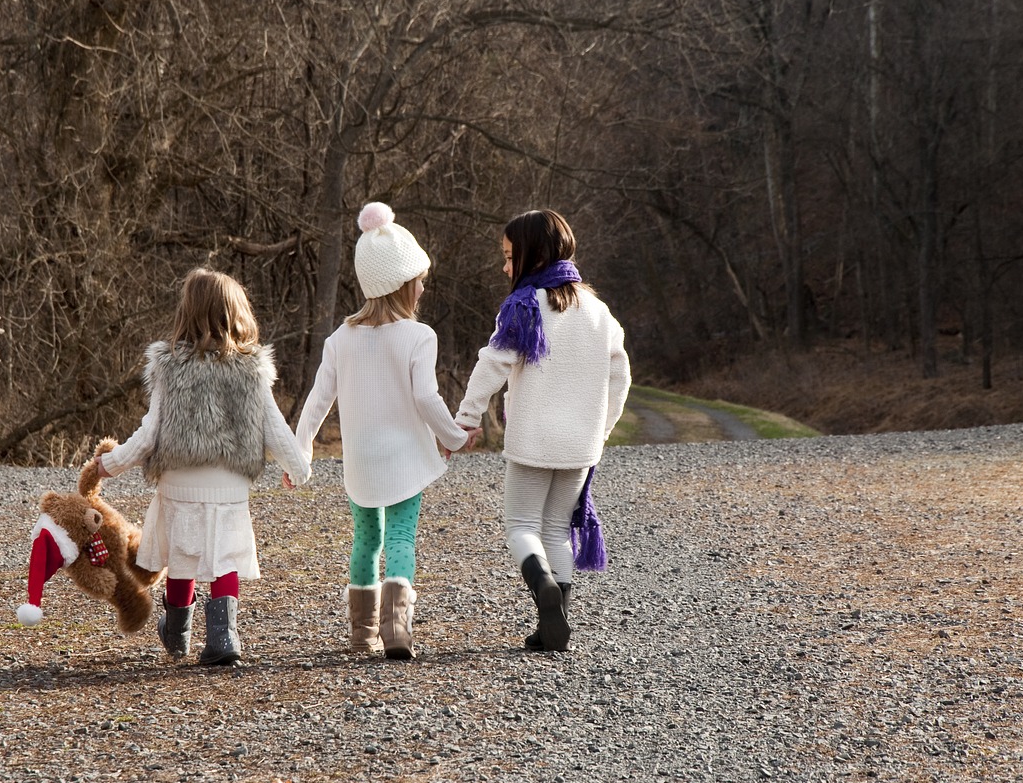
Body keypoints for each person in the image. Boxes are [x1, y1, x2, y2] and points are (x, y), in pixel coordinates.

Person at [96, 268, 310, 666]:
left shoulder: (170, 367)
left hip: (178, 484)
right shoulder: (251, 371)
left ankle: (177, 633)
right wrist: (298, 469)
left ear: (187, 312)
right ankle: (224, 639)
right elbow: (276, 430)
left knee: (183, 557)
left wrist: (109, 464)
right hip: (228, 487)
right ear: (237, 313)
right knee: (223, 559)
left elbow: (148, 435)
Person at [293, 202, 469, 660]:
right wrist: (453, 437)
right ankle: (396, 629)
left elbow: (317, 401)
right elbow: (427, 399)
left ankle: (361, 633)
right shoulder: (418, 336)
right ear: (402, 284)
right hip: (405, 460)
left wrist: (301, 452)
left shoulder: (340, 339)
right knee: (401, 538)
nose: (423, 286)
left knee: (366, 540)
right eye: (419, 279)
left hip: (362, 464)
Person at [454, 209, 630, 653]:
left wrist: (468, 418)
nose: (504, 267)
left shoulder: (525, 305)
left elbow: (492, 364)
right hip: (580, 445)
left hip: (532, 441)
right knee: (556, 528)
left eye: (510, 256)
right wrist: (602, 429)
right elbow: (620, 376)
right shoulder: (599, 311)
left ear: (533, 256)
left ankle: (544, 588)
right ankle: (556, 624)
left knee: (521, 526)